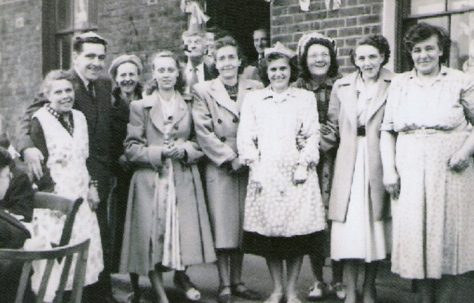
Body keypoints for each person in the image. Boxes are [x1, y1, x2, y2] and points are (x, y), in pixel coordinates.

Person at [16, 31, 117, 303]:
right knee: (66, 241)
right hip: (62, 183)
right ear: (76, 57)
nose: (96, 62)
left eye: (101, 57)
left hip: (93, 176)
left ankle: (98, 295)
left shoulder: (105, 83)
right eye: (90, 56)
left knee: (96, 242)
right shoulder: (61, 83)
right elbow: (28, 118)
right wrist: (28, 147)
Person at [380, 22, 474, 303]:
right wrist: (389, 170)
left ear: (441, 50)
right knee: (416, 239)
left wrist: (466, 151)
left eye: (429, 48)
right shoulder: (399, 83)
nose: (423, 55)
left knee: (446, 238)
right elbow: (388, 129)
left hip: (451, 168)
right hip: (410, 167)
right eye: (417, 50)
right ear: (410, 53)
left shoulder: (460, 80)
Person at [120, 50, 216, 303]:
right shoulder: (140, 106)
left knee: (181, 230)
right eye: (160, 70)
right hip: (151, 180)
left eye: (170, 70)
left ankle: (181, 277)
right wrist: (159, 152)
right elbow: (131, 148)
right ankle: (158, 290)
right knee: (152, 235)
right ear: (154, 74)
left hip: (182, 176)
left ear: (178, 72)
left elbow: (200, 142)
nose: (165, 75)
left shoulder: (189, 101)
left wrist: (184, 149)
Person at [237, 42, 326, 303]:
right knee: (271, 236)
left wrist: (303, 164)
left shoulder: (304, 98)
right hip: (266, 174)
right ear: (267, 72)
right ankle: (276, 289)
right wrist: (256, 167)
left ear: (291, 70)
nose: (278, 74)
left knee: (296, 236)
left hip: (297, 175)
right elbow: (245, 138)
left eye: (283, 69)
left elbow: (312, 134)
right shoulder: (254, 99)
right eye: (273, 69)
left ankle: (291, 289)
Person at [192, 35, 263, 303]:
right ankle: (224, 283)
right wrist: (228, 157)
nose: (227, 63)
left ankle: (238, 280)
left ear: (239, 60)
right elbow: (203, 131)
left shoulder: (255, 87)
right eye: (221, 58)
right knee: (223, 225)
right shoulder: (203, 90)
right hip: (220, 165)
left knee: (241, 225)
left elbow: (261, 123)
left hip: (247, 163)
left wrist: (246, 156)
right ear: (214, 61)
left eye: (231, 57)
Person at [323, 35, 392, 303]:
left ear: (383, 57)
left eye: (373, 56)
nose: (367, 62)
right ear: (355, 60)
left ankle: (370, 287)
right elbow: (331, 128)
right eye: (361, 57)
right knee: (349, 230)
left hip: (379, 158)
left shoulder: (395, 83)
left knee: (374, 228)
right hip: (348, 162)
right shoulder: (342, 86)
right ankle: (351, 290)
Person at [27, 70, 104, 301]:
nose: (64, 96)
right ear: (47, 95)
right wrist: (55, 201)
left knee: (84, 255)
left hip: (82, 197)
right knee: (59, 258)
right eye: (58, 92)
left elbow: (84, 159)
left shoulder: (79, 118)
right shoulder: (39, 121)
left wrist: (92, 186)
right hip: (56, 201)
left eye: (68, 90)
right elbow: (39, 173)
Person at [292, 32, 345, 301]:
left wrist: (318, 141)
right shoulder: (297, 87)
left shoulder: (342, 85)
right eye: (313, 54)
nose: (319, 59)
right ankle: (317, 279)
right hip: (306, 161)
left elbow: (340, 124)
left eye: (324, 54)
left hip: (337, 158)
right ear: (305, 59)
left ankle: (338, 279)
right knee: (312, 218)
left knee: (336, 217)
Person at [107, 54, 143, 302]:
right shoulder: (110, 104)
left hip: (143, 170)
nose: (127, 79)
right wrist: (117, 157)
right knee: (122, 228)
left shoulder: (147, 100)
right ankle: (128, 282)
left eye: (132, 74)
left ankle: (143, 279)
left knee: (143, 227)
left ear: (138, 77)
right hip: (120, 174)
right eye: (123, 75)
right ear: (116, 79)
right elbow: (103, 136)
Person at [181, 29, 217, 100]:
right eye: (189, 42)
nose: (193, 46)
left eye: (197, 42)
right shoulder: (179, 73)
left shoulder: (214, 72)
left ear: (205, 48)